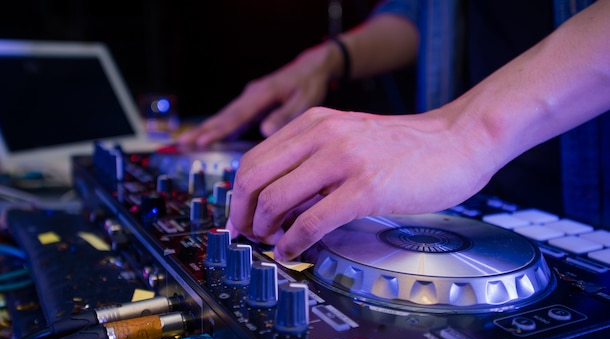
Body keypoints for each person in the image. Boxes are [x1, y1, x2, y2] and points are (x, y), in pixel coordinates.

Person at [180, 0, 610, 262]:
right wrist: (329, 60)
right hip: (473, 192)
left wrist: (465, 131)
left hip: (585, 201)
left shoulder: (467, 135)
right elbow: (425, 11)